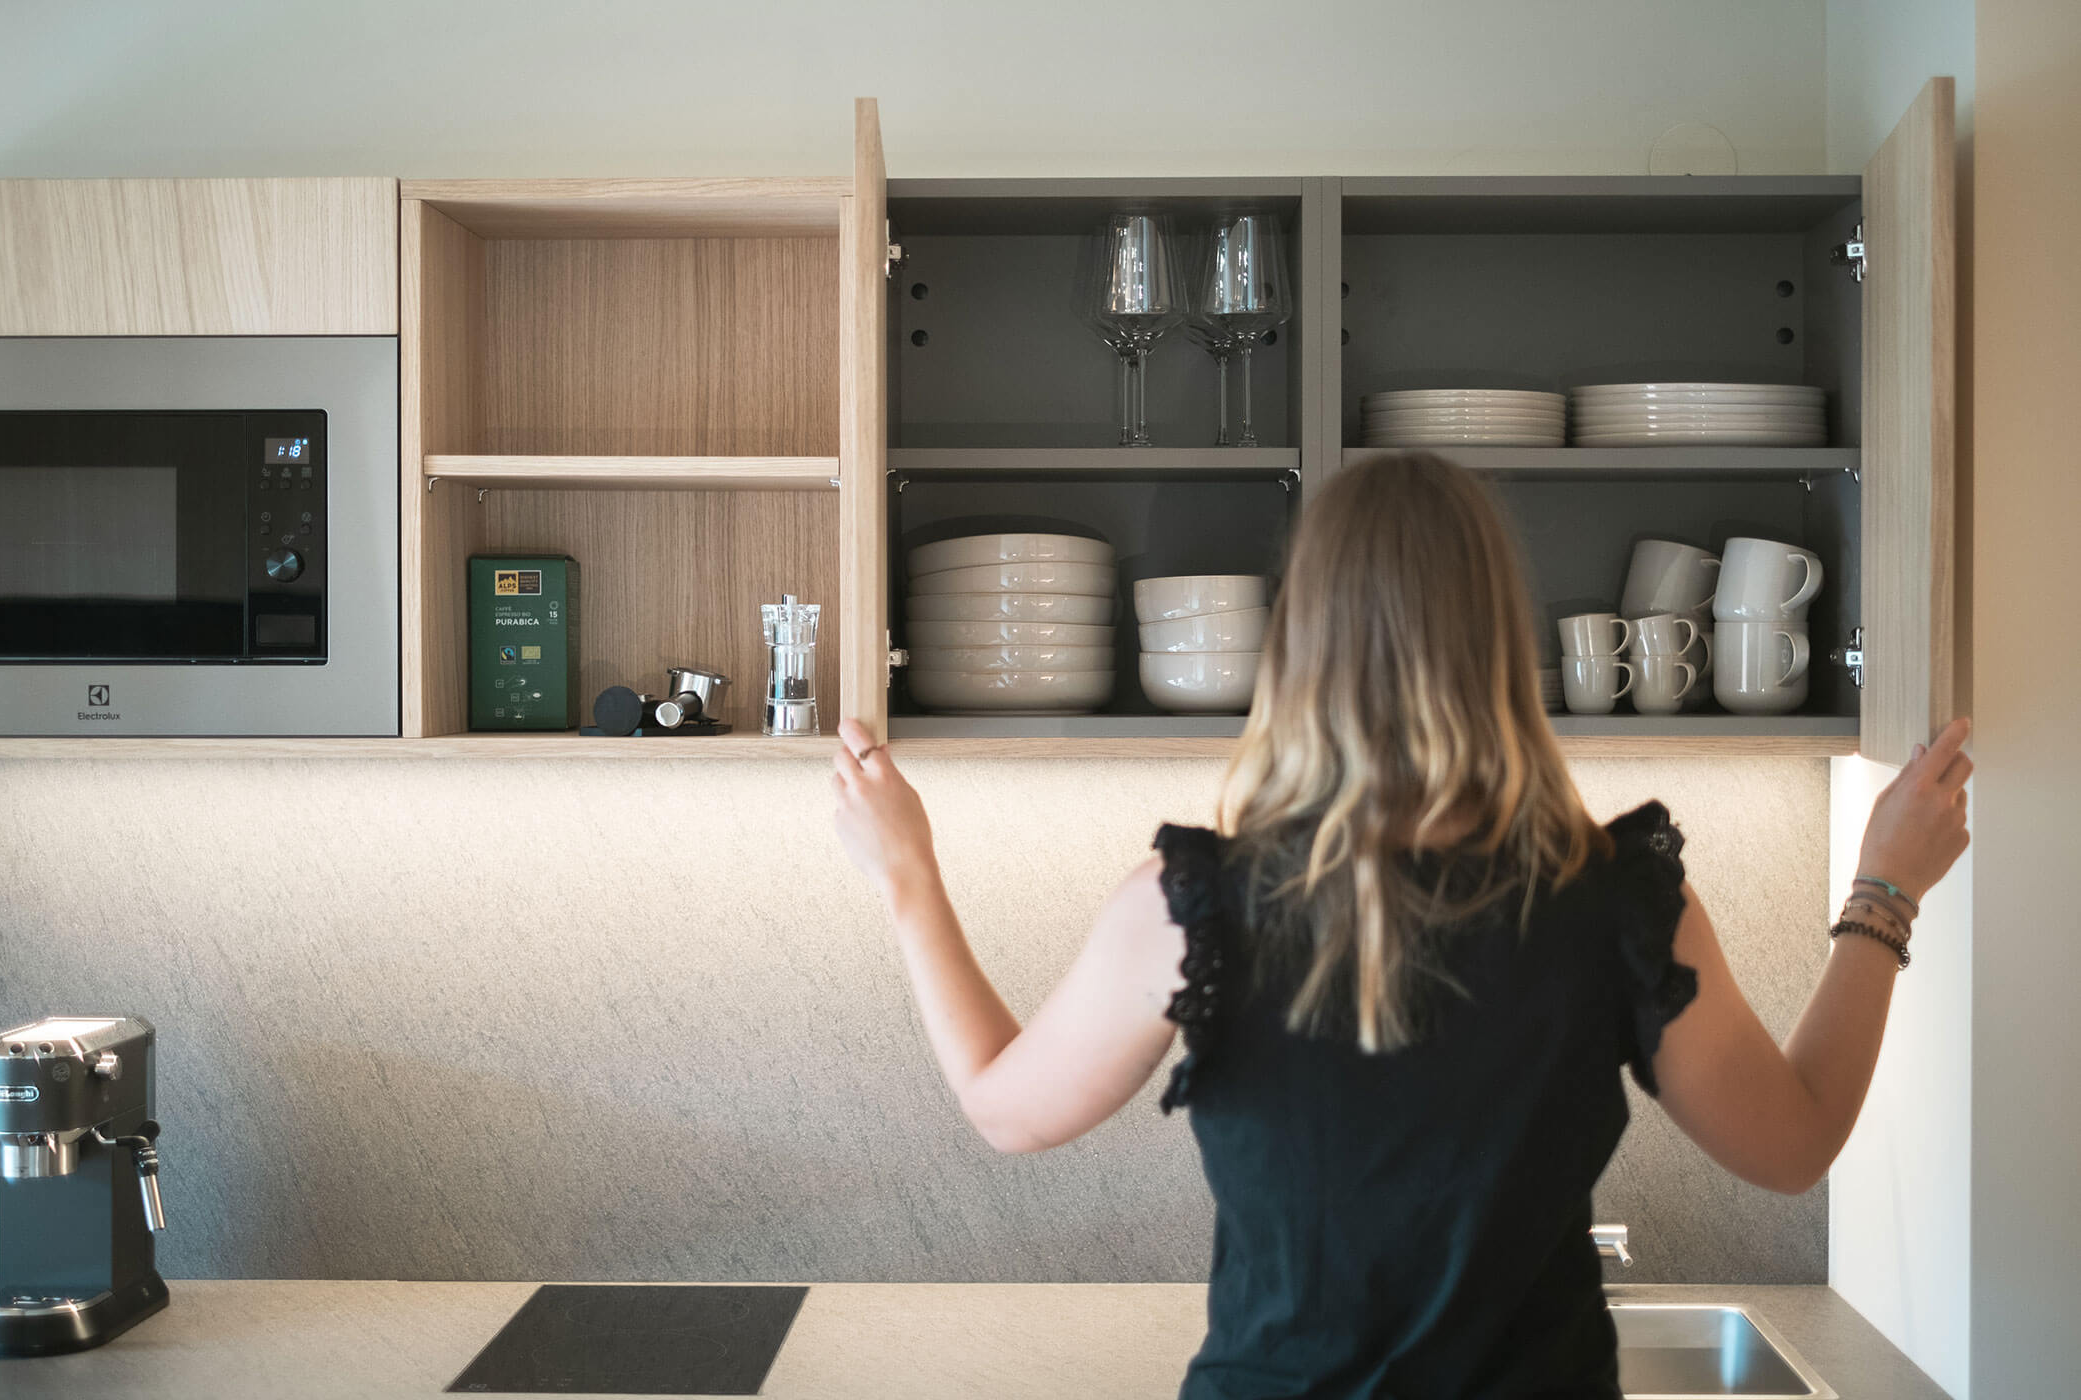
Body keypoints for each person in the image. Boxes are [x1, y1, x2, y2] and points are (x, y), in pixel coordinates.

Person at [830, 453, 1970, 1400]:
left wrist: (908, 871)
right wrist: (1885, 891)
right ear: (1498, 638)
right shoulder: (1618, 900)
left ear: (1301, 637)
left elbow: (1005, 1108)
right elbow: (1793, 1143)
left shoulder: (1193, 907)